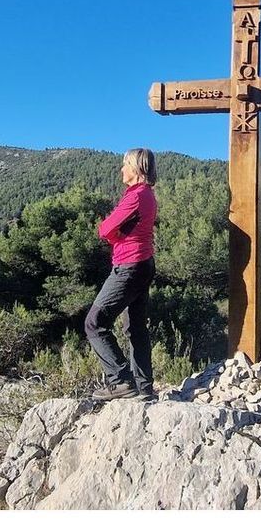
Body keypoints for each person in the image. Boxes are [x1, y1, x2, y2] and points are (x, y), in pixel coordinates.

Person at [85, 148, 159, 401]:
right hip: (144, 264)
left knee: (94, 323)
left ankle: (120, 381)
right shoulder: (147, 195)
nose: (121, 170)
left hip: (128, 266)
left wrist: (115, 234)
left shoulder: (135, 196)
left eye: (125, 165)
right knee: (136, 328)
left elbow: (105, 229)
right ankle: (144, 388)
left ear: (136, 168)